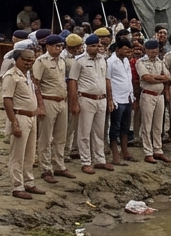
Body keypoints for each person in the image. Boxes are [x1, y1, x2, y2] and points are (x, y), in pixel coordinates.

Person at [2, 48, 45, 199]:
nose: (28, 64)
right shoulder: (11, 76)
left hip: (31, 117)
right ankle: (17, 185)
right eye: (25, 60)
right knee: (17, 154)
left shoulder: (28, 75)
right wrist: (14, 122)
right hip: (20, 116)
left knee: (30, 153)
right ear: (17, 59)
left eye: (31, 61)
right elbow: (7, 100)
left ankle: (29, 182)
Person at [32, 35, 74, 183]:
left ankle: (59, 165)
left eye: (60, 46)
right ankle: (45, 168)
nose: (58, 48)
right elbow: (35, 83)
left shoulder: (62, 61)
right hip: (48, 99)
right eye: (56, 46)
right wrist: (40, 105)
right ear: (47, 46)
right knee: (45, 137)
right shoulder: (41, 61)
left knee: (60, 137)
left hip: (62, 101)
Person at [69, 34, 112, 174]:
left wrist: (110, 99)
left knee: (99, 131)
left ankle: (100, 160)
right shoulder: (79, 61)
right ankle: (86, 161)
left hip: (101, 98)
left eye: (97, 45)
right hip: (86, 98)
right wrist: (74, 103)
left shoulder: (103, 60)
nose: (96, 48)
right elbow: (73, 82)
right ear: (87, 47)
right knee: (84, 132)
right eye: (93, 46)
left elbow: (107, 80)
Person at [136, 39, 170, 163]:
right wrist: (160, 79)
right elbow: (146, 78)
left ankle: (158, 150)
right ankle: (148, 152)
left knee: (158, 125)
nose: (154, 51)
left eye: (155, 49)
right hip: (148, 95)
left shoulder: (160, 62)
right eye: (151, 49)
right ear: (146, 50)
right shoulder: (141, 62)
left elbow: (167, 76)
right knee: (147, 125)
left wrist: (156, 78)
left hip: (159, 95)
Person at [107, 40, 136, 165]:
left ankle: (125, 152)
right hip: (117, 99)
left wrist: (131, 96)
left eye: (129, 50)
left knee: (125, 127)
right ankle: (115, 155)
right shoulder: (110, 62)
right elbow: (108, 81)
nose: (127, 52)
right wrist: (110, 99)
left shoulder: (126, 61)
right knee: (115, 127)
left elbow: (128, 80)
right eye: (125, 49)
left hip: (127, 98)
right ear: (117, 49)